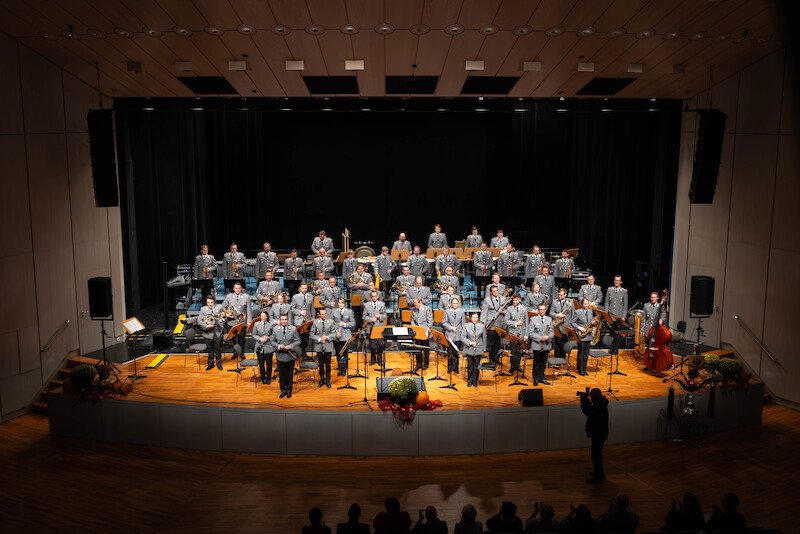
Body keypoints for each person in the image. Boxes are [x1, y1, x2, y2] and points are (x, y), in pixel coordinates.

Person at [579, 388, 609, 483]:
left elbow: (588, 411)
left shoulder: (598, 405)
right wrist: (586, 400)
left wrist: (584, 400)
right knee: (596, 455)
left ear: (594, 397)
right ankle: (598, 473)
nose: (590, 398)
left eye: (591, 396)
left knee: (596, 456)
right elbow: (590, 410)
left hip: (598, 433)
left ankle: (598, 477)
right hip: (599, 433)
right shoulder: (600, 403)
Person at [221, 281, 251, 359]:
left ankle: (242, 353)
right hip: (232, 321)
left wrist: (249, 321)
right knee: (234, 339)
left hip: (242, 322)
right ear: (233, 289)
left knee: (242, 339)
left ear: (241, 289)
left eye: (239, 288)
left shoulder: (246, 297)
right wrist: (227, 313)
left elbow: (249, 310)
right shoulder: (229, 296)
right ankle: (235, 353)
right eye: (236, 288)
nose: (237, 290)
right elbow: (223, 307)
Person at [273, 314, 300, 398]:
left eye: (285, 319)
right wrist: (278, 346)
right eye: (282, 319)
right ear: (280, 320)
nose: (284, 321)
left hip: (290, 355)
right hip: (280, 355)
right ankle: (283, 390)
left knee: (289, 374)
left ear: (287, 320)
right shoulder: (275, 329)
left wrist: (291, 346)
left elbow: (298, 341)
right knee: (281, 374)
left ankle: (289, 390)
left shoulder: (293, 329)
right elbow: (272, 341)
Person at [311, 308, 338, 388]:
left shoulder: (331, 322)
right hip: (319, 346)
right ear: (319, 314)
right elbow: (311, 334)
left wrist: (327, 337)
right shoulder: (315, 322)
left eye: (325, 314)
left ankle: (328, 380)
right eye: (322, 314)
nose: (324, 315)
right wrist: (319, 339)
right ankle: (322, 379)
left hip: (328, 346)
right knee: (321, 364)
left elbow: (334, 333)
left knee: (328, 365)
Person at [195, 295, 223, 371]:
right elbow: (199, 321)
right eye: (208, 302)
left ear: (214, 302)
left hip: (217, 332)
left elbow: (223, 318)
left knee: (218, 350)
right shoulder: (203, 309)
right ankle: (210, 364)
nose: (210, 304)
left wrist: (221, 321)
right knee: (210, 350)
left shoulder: (219, 308)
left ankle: (219, 364)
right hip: (208, 333)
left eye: (211, 302)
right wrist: (206, 326)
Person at [527, 304, 553, 386]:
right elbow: (530, 333)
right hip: (537, 345)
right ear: (538, 310)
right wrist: (540, 338)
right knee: (536, 363)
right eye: (540, 309)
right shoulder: (533, 319)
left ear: (545, 310)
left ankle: (542, 377)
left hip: (546, 345)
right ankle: (535, 378)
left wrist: (548, 336)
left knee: (543, 363)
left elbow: (552, 332)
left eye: (543, 309)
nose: (542, 311)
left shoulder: (549, 319)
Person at [481, 285, 507, 363]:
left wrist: (505, 312)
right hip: (491, 324)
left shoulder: (503, 299)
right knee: (491, 343)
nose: (496, 292)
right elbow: (484, 313)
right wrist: (484, 324)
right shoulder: (487, 300)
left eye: (497, 290)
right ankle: (491, 359)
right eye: (494, 291)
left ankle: (496, 359)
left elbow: (506, 309)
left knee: (498, 343)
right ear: (491, 292)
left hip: (500, 324)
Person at [503, 293, 527, 373]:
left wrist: (526, 334)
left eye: (516, 300)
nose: (514, 301)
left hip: (521, 333)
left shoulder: (524, 309)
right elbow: (506, 321)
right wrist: (516, 323)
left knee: (519, 351)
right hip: (513, 333)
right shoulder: (509, 309)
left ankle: (518, 365)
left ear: (520, 300)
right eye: (513, 300)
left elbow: (527, 323)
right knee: (513, 351)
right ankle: (512, 366)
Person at [571, 298, 595, 376]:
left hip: (588, 335)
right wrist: (579, 327)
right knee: (581, 354)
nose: (586, 305)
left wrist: (594, 323)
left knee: (586, 353)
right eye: (585, 304)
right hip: (581, 335)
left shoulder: (591, 311)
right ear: (582, 304)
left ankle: (584, 369)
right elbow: (573, 323)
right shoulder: (577, 312)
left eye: (587, 304)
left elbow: (592, 322)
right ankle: (580, 369)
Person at [331, 298, 355, 376]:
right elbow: (331, 323)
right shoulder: (334, 311)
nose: (341, 304)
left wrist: (345, 324)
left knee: (344, 353)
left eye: (342, 303)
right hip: (336, 335)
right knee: (338, 353)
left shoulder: (349, 311)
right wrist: (336, 331)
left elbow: (353, 323)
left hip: (345, 335)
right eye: (339, 303)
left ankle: (344, 368)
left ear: (344, 304)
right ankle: (340, 368)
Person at [549, 287, 573, 364]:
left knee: (564, 343)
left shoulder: (570, 302)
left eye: (561, 295)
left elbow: (573, 314)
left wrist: (571, 326)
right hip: (557, 326)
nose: (559, 296)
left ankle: (563, 360)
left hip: (566, 326)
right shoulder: (554, 301)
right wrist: (557, 315)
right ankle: (556, 360)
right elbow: (551, 313)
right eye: (559, 294)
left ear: (565, 295)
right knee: (557, 344)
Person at [363, 290, 387, 366]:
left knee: (381, 344)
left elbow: (385, 316)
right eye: (372, 296)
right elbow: (364, 316)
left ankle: (379, 358)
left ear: (377, 296)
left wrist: (380, 316)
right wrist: (371, 319)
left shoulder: (382, 304)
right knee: (372, 345)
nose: (374, 297)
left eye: (375, 296)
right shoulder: (367, 305)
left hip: (379, 327)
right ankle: (373, 358)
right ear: (371, 297)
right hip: (371, 327)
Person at [442, 296, 465, 375]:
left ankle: (456, 368)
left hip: (458, 335)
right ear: (451, 304)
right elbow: (444, 322)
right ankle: (449, 368)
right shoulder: (447, 311)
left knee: (456, 353)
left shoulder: (462, 311)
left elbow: (463, 324)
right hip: (450, 335)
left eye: (456, 303)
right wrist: (451, 328)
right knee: (450, 352)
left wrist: (460, 332)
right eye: (454, 303)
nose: (455, 304)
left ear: (458, 304)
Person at [291, 282, 314, 357]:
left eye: (305, 288)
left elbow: (312, 309)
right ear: (300, 289)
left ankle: (304, 353)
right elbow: (292, 309)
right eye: (303, 288)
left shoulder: (310, 296)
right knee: (299, 339)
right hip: (299, 321)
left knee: (306, 339)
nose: (304, 290)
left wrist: (312, 319)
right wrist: (300, 312)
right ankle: (300, 354)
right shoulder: (295, 297)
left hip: (307, 321)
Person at [463, 312, 485, 387]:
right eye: (473, 317)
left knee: (476, 367)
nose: (475, 319)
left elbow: (484, 338)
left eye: (476, 317)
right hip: (469, 349)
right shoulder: (466, 326)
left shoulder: (482, 326)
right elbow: (463, 337)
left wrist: (483, 350)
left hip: (478, 349)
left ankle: (475, 381)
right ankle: (469, 381)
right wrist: (470, 343)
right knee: (470, 366)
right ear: (470, 318)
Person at [252, 311, 274, 384]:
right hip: (259, 346)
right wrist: (260, 339)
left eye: (264, 316)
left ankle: (268, 378)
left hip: (269, 346)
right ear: (260, 317)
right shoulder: (256, 324)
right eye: (262, 316)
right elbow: (254, 334)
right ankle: (263, 378)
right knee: (261, 364)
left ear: (267, 316)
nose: (263, 317)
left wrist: (268, 338)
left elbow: (274, 335)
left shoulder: (271, 324)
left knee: (269, 364)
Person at [411, 297, 433, 371]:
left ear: (420, 302)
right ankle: (418, 364)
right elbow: (412, 320)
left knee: (425, 349)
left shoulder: (427, 309)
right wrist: (414, 328)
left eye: (416, 304)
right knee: (417, 348)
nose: (415, 306)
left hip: (425, 331)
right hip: (417, 332)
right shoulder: (414, 310)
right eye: (414, 304)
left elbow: (430, 321)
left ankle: (426, 364)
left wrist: (427, 331)